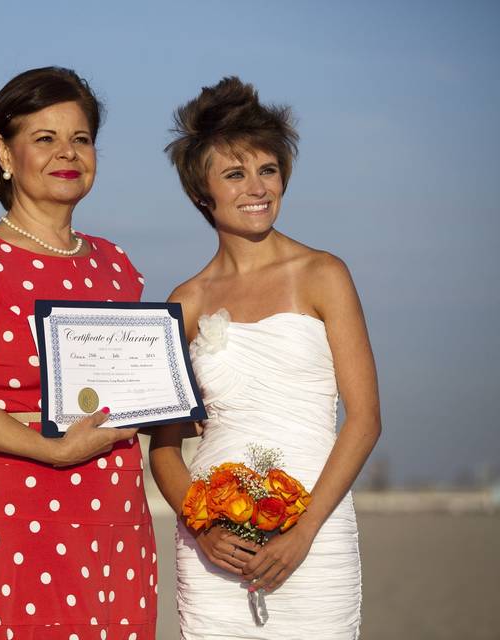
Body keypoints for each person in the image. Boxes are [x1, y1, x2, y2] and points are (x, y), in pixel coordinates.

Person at [0, 66, 157, 640]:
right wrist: (50, 449)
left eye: (80, 138)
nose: (67, 153)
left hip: (117, 506)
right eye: (44, 139)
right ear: (4, 152)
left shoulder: (116, 264)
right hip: (24, 502)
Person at [149, 77, 381, 639]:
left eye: (268, 170)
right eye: (234, 173)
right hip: (214, 550)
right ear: (201, 192)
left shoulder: (324, 274)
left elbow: (366, 420)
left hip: (316, 534)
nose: (257, 187)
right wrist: (201, 526)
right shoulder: (184, 301)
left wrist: (303, 533)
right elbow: (164, 448)